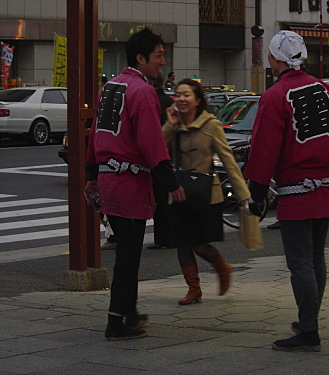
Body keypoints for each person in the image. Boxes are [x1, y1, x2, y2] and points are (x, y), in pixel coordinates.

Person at [244, 30, 329, 352]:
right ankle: (308, 321)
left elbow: (263, 150)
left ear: (274, 58)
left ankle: (309, 330)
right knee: (316, 258)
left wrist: (256, 195)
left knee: (300, 261)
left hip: (296, 187)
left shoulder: (275, 96)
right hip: (325, 184)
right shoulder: (324, 89)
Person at [85, 28, 185, 341]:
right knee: (129, 255)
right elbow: (151, 143)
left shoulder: (110, 87)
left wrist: (91, 176)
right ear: (140, 58)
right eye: (158, 55)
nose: (162, 61)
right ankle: (115, 322)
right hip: (129, 182)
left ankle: (129, 312)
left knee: (127, 249)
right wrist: (171, 183)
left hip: (108, 178)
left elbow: (95, 136)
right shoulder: (142, 92)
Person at [164, 78, 250, 305]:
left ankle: (222, 267)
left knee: (199, 242)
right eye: (178, 95)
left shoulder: (211, 124)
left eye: (186, 95)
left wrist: (242, 194)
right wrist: (170, 124)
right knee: (182, 242)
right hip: (180, 191)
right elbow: (158, 148)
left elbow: (228, 159)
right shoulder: (174, 124)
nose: (181, 99)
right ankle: (194, 289)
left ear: (198, 100)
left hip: (205, 193)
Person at [147, 72, 175, 250]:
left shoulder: (153, 102)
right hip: (170, 154)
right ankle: (168, 236)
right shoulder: (169, 101)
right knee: (167, 198)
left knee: (159, 198)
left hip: (156, 154)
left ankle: (162, 238)